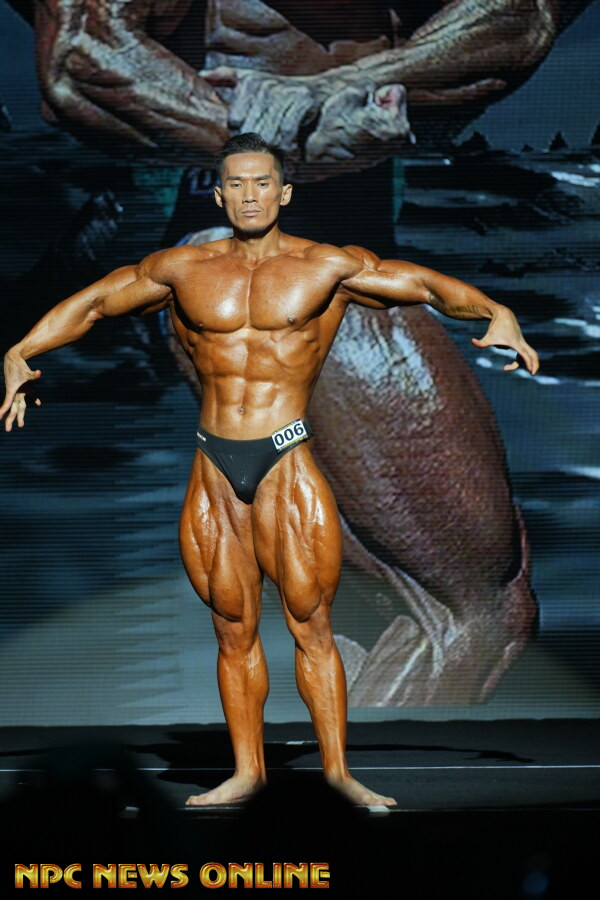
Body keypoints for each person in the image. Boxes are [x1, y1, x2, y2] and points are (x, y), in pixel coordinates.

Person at [1, 132, 539, 806]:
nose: (250, 196)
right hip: (218, 457)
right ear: (221, 193)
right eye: (238, 185)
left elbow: (420, 284)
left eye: (262, 184)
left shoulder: (324, 267)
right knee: (245, 629)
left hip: (284, 448)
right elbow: (98, 301)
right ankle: (253, 776)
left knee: (329, 623)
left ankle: (339, 776)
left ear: (281, 193)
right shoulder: (184, 267)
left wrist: (496, 311)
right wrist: (23, 352)